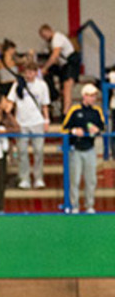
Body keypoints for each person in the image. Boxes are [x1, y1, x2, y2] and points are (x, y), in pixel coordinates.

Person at [62, 83, 106, 214]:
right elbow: (63, 128)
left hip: (90, 149)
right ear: (84, 96)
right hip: (76, 149)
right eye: (91, 95)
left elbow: (102, 127)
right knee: (74, 180)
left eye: (94, 96)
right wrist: (74, 131)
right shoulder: (74, 110)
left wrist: (97, 130)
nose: (93, 98)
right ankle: (74, 206)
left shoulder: (97, 111)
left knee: (91, 179)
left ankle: (89, 206)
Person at [8, 59, 51, 190]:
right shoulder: (17, 85)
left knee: (39, 151)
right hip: (21, 123)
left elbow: (45, 104)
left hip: (37, 121)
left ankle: (38, 178)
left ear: (36, 72)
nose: (29, 75)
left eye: (32, 72)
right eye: (27, 72)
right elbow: (10, 102)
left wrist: (46, 120)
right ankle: (24, 178)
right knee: (22, 152)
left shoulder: (42, 85)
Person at [40, 24, 81, 115]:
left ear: (49, 30)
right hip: (64, 65)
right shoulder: (51, 42)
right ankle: (54, 94)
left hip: (71, 63)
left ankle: (66, 113)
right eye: (43, 36)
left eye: (45, 35)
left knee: (67, 90)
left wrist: (45, 68)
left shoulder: (57, 38)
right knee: (63, 89)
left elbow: (55, 56)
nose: (44, 38)